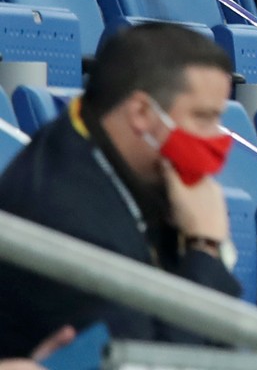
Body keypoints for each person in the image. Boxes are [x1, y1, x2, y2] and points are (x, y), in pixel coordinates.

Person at [0, 23, 241, 358]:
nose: (216, 137)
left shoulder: (128, 169)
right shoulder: (67, 212)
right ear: (141, 112)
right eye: (203, 117)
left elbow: (222, 344)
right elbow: (153, 363)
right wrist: (204, 250)